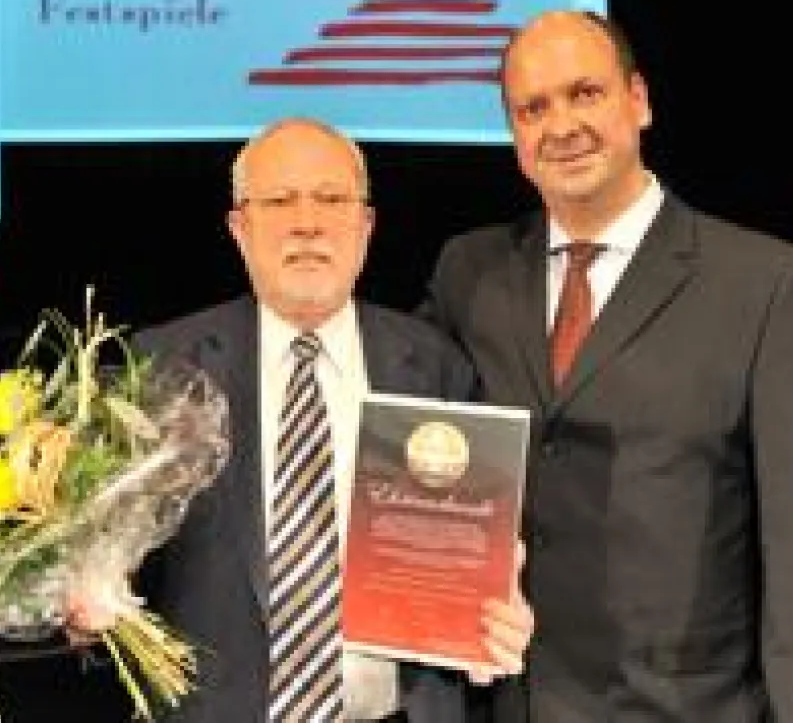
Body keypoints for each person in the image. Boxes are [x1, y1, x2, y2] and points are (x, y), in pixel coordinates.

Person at [419, 8, 793, 722]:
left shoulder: (771, 288)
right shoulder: (468, 275)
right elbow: (413, 469)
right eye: (532, 108)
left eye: (585, 93)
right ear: (514, 137)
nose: (561, 126)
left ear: (640, 100)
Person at [71, 117, 535, 723]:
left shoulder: (435, 366)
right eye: (280, 200)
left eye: (331, 198)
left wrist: (491, 622)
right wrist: (86, 594)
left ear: (365, 226)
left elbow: (475, 572)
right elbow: (108, 564)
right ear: (241, 228)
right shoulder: (160, 370)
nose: (307, 222)